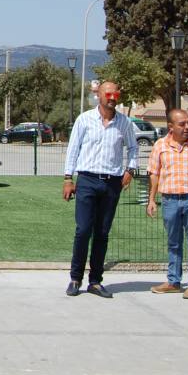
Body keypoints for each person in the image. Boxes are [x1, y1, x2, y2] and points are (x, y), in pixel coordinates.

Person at [63, 81, 139, 298]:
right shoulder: (84, 119)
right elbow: (73, 149)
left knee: (102, 233)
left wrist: (130, 169)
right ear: (99, 95)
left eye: (115, 94)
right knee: (83, 230)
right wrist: (68, 178)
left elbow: (133, 147)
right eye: (108, 94)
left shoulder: (123, 122)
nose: (112, 98)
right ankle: (75, 278)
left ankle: (95, 281)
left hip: (111, 183)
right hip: (87, 180)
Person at [146, 108, 188, 299]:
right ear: (171, 126)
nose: (187, 127)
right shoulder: (160, 145)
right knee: (173, 243)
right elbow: (154, 173)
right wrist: (152, 199)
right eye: (182, 124)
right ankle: (173, 281)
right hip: (169, 200)